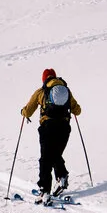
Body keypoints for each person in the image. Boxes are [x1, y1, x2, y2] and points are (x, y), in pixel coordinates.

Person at [21, 68, 82, 203]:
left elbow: (28, 111)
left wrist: (23, 112)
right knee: (54, 154)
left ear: (44, 79)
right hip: (65, 128)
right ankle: (62, 176)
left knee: (46, 159)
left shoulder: (41, 92)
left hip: (48, 128)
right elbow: (77, 110)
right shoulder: (66, 91)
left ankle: (45, 191)